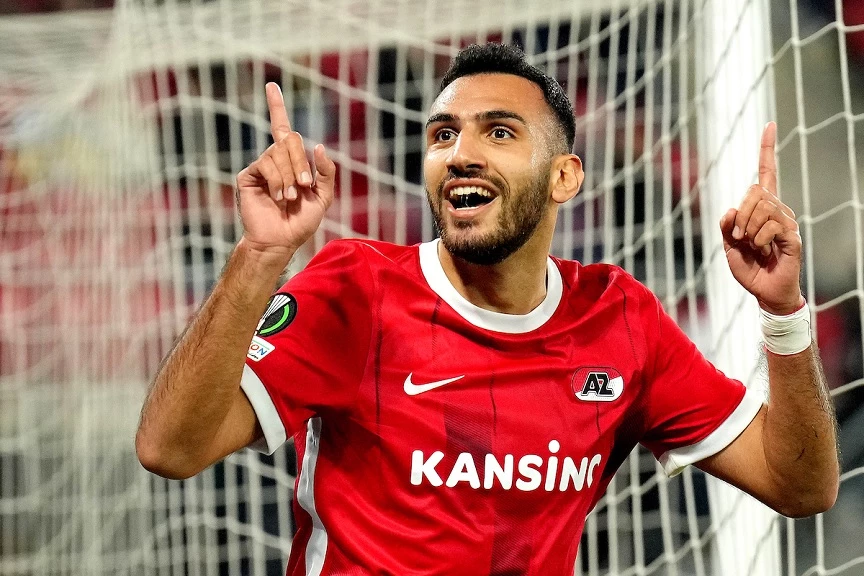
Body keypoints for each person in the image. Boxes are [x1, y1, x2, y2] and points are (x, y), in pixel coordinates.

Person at [135, 44, 839, 574]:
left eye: (499, 132)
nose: (461, 154)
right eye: (444, 134)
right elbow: (169, 449)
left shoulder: (620, 319)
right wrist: (260, 255)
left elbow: (801, 486)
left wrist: (782, 312)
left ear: (565, 176)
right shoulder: (355, 289)